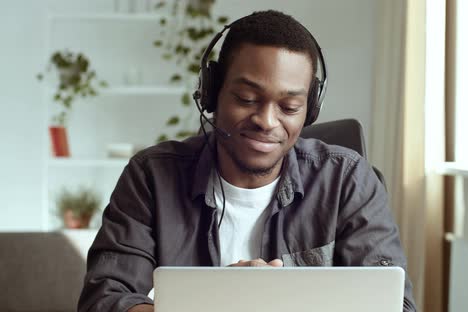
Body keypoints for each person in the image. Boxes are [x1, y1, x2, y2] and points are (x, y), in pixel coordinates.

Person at [78, 10, 417, 312]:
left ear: (310, 111)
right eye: (247, 98)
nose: (267, 121)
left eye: (289, 107)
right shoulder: (151, 176)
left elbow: (395, 305)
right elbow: (105, 300)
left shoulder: (347, 180)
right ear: (211, 94)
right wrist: (216, 303)